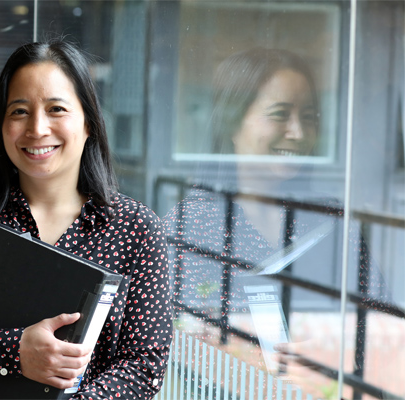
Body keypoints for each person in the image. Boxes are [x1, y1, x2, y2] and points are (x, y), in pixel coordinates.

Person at [0, 40, 173, 399]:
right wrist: (14, 352)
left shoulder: (136, 229)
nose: (37, 129)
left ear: (88, 123)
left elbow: (144, 366)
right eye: (19, 111)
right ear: (1, 124)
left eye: (56, 109)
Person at [163, 47, 390, 396]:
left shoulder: (330, 220)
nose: (298, 132)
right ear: (232, 121)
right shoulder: (192, 224)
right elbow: (178, 344)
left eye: (309, 116)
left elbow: (379, 323)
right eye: (280, 114)